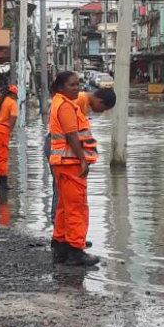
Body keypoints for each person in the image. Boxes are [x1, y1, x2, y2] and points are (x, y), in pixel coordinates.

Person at [45, 86, 116, 235]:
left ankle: (62, 231)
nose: (100, 112)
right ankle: (62, 229)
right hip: (60, 147)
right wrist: (83, 159)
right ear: (99, 100)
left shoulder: (83, 103)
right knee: (63, 191)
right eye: (102, 108)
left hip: (61, 147)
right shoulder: (79, 100)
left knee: (63, 190)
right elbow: (71, 132)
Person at [48, 71, 100, 267]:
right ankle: (76, 251)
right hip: (70, 164)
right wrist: (83, 160)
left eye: (78, 84)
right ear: (61, 87)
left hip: (61, 164)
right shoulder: (66, 106)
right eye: (72, 85)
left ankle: (61, 246)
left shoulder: (58, 102)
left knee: (64, 207)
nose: (76, 88)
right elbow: (72, 136)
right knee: (76, 207)